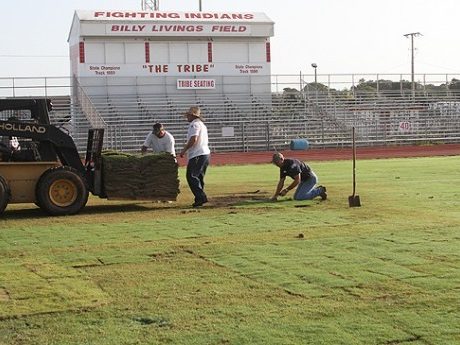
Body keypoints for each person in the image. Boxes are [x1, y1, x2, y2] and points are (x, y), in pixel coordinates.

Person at [179, 106, 210, 207]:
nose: (186, 117)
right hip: (205, 153)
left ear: (192, 115)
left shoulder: (195, 125)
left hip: (197, 154)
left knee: (191, 176)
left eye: (188, 115)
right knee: (199, 177)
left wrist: (184, 150)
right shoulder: (202, 124)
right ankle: (199, 199)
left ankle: (201, 197)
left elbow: (193, 139)